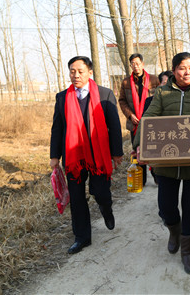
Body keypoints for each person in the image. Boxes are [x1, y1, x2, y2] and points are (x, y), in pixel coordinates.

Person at [133, 52, 190, 275]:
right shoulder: (162, 92)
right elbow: (148, 119)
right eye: (182, 67)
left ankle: (188, 252)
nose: (187, 72)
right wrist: (139, 145)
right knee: (166, 206)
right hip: (167, 161)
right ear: (174, 71)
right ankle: (174, 230)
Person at [50, 56, 124, 255]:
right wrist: (54, 156)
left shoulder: (104, 94)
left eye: (80, 71)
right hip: (73, 156)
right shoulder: (62, 97)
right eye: (72, 71)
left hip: (98, 155)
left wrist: (117, 153)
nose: (76, 75)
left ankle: (105, 208)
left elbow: (114, 126)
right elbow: (57, 128)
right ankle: (82, 237)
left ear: (90, 72)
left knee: (100, 191)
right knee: (76, 197)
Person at [118, 53, 160, 185]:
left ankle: (157, 177)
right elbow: (122, 101)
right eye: (132, 64)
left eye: (137, 63)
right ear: (130, 65)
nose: (135, 66)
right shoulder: (126, 82)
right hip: (134, 123)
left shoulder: (154, 80)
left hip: (151, 122)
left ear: (142, 63)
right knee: (138, 151)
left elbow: (159, 99)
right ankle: (141, 180)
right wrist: (130, 115)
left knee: (154, 150)